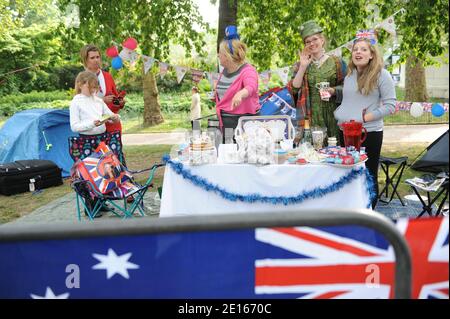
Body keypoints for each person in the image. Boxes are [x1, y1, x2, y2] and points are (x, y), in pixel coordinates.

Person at [334, 36, 396, 209]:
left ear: (371, 55)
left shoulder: (382, 75)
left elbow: (391, 106)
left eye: (363, 49)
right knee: (348, 172)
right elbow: (349, 101)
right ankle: (353, 211)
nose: (358, 52)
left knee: (368, 175)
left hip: (369, 133)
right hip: (345, 132)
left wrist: (364, 118)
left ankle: (369, 213)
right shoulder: (350, 76)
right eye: (355, 49)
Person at [69, 71, 120, 217]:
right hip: (85, 141)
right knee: (88, 175)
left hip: (101, 139)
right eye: (90, 87)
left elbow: (109, 115)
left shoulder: (98, 100)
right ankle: (89, 205)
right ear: (81, 84)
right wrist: (91, 124)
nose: (93, 91)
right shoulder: (76, 102)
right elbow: (74, 126)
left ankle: (101, 201)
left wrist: (114, 117)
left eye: (94, 88)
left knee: (104, 171)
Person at [287, 20, 347, 145]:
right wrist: (303, 66)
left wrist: (334, 91)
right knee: (312, 151)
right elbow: (293, 89)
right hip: (310, 115)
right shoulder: (300, 65)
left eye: (314, 39)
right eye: (307, 42)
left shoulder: (337, 62)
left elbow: (348, 87)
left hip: (333, 114)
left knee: (333, 149)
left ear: (322, 40)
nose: (311, 43)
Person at [215, 25, 260, 141]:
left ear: (228, 56)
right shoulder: (224, 72)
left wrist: (240, 94)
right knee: (228, 154)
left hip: (244, 126)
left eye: (220, 52)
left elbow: (251, 87)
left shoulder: (248, 70)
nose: (218, 55)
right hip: (226, 125)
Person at [80, 44, 125, 134]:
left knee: (113, 149)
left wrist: (119, 103)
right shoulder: (82, 79)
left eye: (98, 57)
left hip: (112, 126)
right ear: (85, 60)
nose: (96, 60)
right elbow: (80, 104)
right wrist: (102, 100)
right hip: (94, 128)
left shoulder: (107, 76)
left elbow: (114, 99)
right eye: (92, 58)